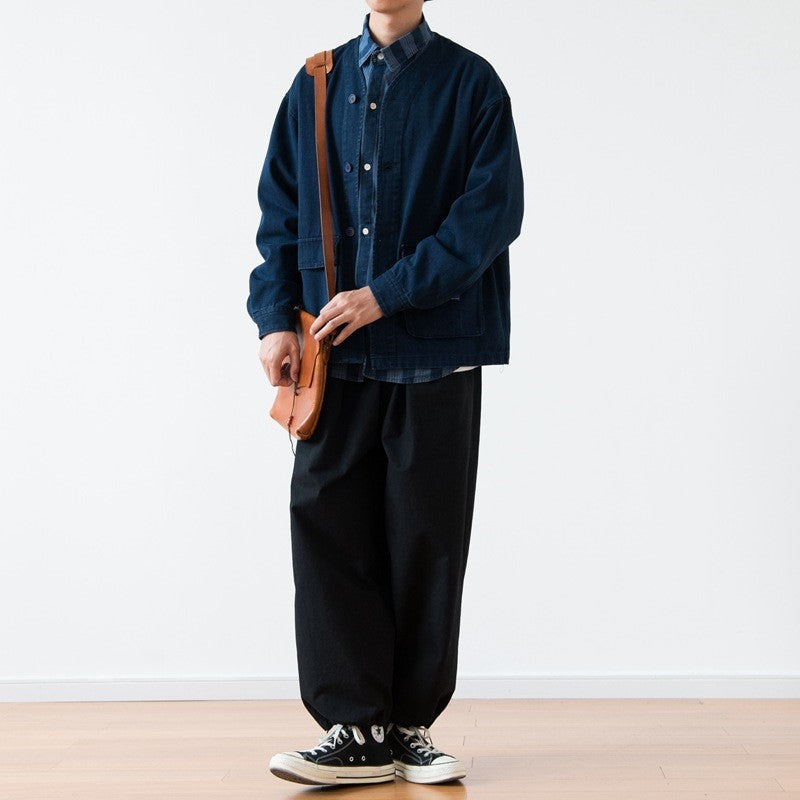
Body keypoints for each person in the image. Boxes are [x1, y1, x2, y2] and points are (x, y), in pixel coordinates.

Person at [246, 0, 524, 786]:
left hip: (436, 352)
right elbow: (281, 211)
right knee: (329, 534)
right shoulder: (315, 82)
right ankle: (354, 728)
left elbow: (490, 217)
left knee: (426, 542)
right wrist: (275, 317)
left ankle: (409, 727)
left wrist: (386, 294)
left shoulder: (471, 84)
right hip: (331, 358)